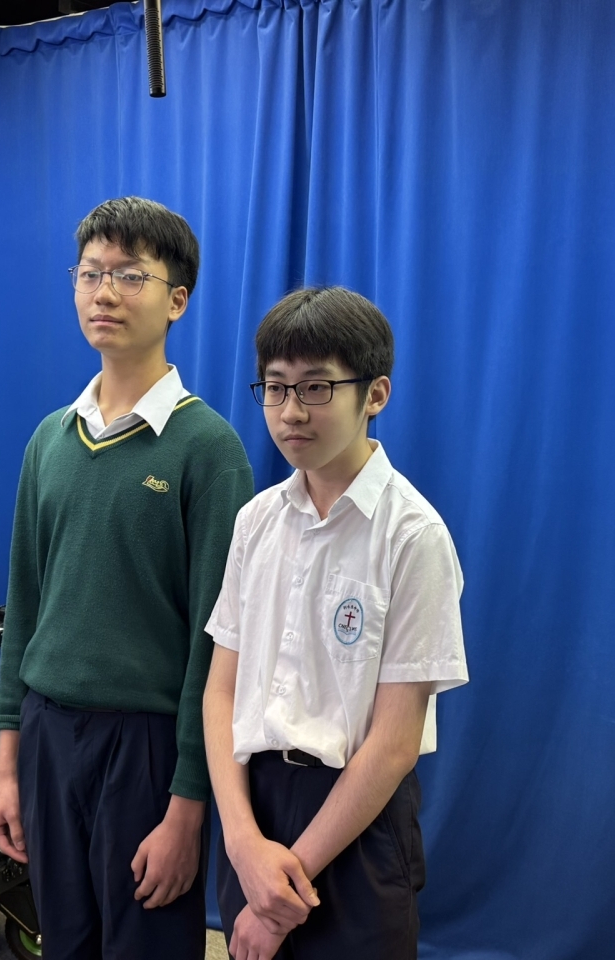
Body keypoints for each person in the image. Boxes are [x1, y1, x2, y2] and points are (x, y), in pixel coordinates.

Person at [0, 197, 254, 960]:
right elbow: (24, 608)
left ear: (177, 299)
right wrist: (8, 768)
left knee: (145, 944)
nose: (104, 292)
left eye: (130, 275)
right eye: (89, 273)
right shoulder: (49, 440)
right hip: (47, 736)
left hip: (146, 747)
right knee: (64, 942)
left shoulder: (208, 450)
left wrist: (189, 805)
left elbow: (218, 647)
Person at [203, 287, 469, 960]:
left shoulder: (413, 536)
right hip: (253, 805)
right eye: (276, 387)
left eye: (316, 387)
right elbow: (220, 692)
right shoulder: (255, 521)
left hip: (357, 819)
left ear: (375, 394)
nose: (291, 411)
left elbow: (394, 743)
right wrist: (242, 841)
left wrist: (284, 891)